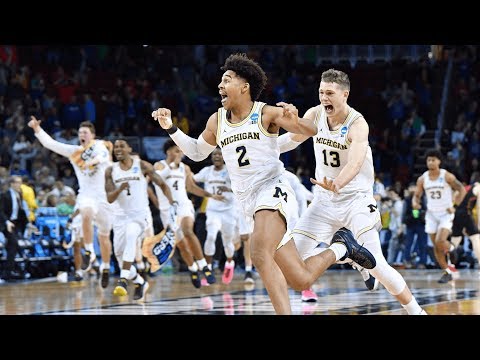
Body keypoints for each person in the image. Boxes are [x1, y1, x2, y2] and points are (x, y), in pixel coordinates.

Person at [152, 53, 376, 314]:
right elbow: (197, 152)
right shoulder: (217, 120)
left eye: (227, 80)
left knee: (258, 254)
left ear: (244, 86)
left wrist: (293, 117)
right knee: (300, 279)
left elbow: (311, 130)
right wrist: (170, 128)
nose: (220, 86)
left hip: (273, 189)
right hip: (248, 202)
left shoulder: (266, 112)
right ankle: (342, 247)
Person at [277, 68, 425, 314]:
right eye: (321, 92)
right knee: (289, 268)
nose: (324, 98)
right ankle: (345, 251)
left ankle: (416, 311)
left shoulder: (358, 124)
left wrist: (338, 183)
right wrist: (262, 148)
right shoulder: (315, 114)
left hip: (355, 200)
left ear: (345, 94)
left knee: (379, 265)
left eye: (330, 93)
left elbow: (355, 163)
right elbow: (290, 140)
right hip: (324, 203)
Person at [28, 116, 114, 285]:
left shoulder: (99, 146)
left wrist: (90, 162)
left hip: (103, 196)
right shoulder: (74, 152)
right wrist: (37, 130)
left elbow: (101, 158)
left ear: (92, 135)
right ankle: (89, 251)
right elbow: (51, 144)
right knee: (86, 212)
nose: (82, 134)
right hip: (86, 194)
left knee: (104, 236)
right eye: (80, 132)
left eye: (85, 132)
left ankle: (105, 267)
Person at [105, 138, 174, 301]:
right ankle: (139, 281)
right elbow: (109, 198)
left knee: (131, 236)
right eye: (116, 147)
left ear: (129, 149)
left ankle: (122, 281)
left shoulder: (141, 165)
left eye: (122, 146)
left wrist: (172, 202)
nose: (118, 149)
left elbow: (162, 184)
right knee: (121, 256)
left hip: (139, 216)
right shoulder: (110, 171)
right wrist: (120, 189)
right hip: (120, 217)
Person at [152, 139, 224, 288]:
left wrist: (209, 194)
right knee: (182, 245)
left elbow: (191, 187)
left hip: (184, 205)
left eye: (181, 151)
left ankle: (204, 266)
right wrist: (172, 165)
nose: (180, 154)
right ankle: (192, 269)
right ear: (168, 151)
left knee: (187, 230)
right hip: (168, 210)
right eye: (177, 150)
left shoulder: (184, 168)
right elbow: (157, 180)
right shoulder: (159, 165)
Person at [412, 148, 466, 283]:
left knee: (440, 241)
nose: (430, 162)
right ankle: (447, 271)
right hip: (431, 214)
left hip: (445, 214)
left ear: (439, 161)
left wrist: (455, 206)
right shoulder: (422, 178)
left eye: (433, 160)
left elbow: (461, 189)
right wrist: (415, 204)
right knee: (436, 247)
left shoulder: (446, 176)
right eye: (428, 160)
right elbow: (416, 196)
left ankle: (453, 248)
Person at [192, 147, 237, 284]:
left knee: (227, 241)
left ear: (224, 157)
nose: (217, 156)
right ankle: (208, 268)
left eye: (219, 154)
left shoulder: (231, 171)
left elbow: (243, 187)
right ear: (211, 157)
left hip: (228, 210)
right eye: (214, 154)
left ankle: (230, 263)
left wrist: (229, 189)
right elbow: (192, 179)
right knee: (210, 236)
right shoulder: (206, 172)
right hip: (212, 210)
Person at [0, 176, 28, 280]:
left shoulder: (19, 194)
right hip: (6, 223)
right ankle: (8, 272)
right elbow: (1, 211)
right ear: (11, 183)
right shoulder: (4, 195)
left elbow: (20, 211)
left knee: (13, 246)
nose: (20, 185)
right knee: (13, 244)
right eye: (18, 182)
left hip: (16, 223)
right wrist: (7, 222)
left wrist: (28, 223)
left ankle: (9, 270)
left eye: (20, 182)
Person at [449, 181, 480, 270]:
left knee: (455, 240)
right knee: (475, 238)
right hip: (466, 213)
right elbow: (478, 207)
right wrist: (478, 224)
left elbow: (453, 201)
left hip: (456, 214)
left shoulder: (464, 188)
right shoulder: (478, 188)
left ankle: (449, 263)